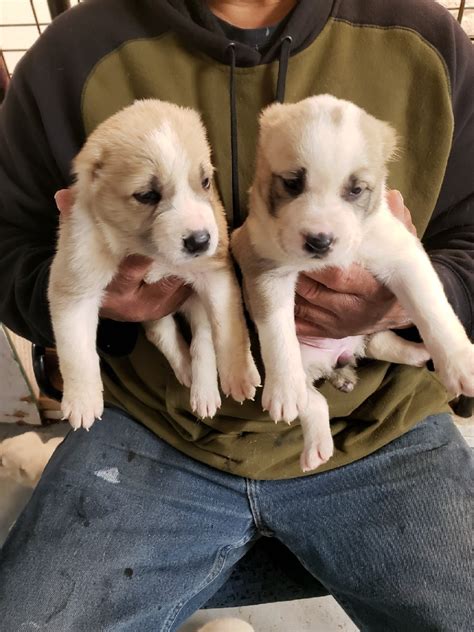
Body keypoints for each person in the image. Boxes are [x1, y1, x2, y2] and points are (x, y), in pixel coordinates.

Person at [0, 1, 472, 630]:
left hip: (382, 423)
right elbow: (12, 249)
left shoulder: (429, 40)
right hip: (155, 425)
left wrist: (423, 307)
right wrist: (100, 305)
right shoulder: (73, 51)